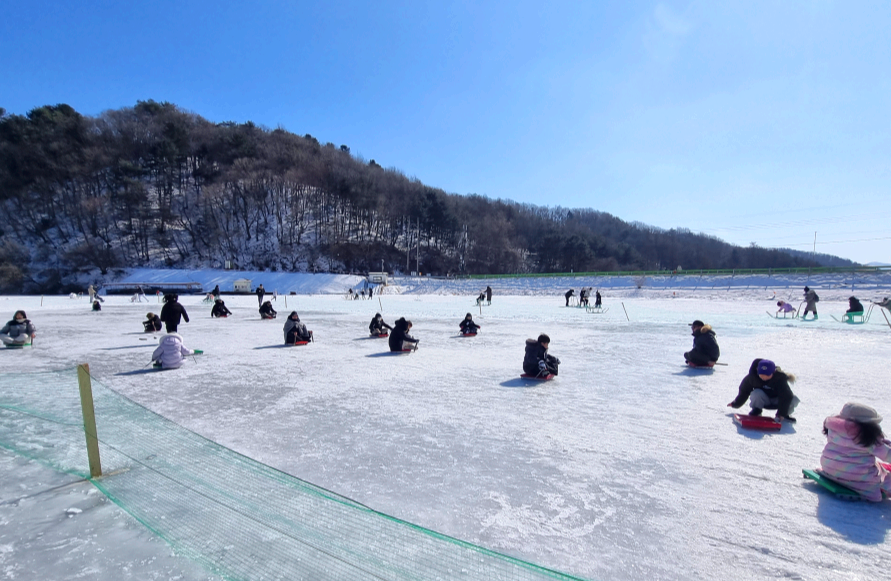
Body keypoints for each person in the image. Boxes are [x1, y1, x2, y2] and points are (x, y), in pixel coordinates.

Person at [820, 403, 891, 501]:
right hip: (859, 478)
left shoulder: (834, 431)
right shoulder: (867, 438)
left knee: (875, 465)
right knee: (886, 479)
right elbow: (888, 455)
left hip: (830, 469)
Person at [727, 358, 799, 423]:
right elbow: (744, 391)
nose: (764, 378)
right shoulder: (752, 378)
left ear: (773, 373)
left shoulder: (780, 379)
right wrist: (735, 403)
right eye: (761, 375)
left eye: (767, 375)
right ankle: (757, 410)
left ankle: (785, 415)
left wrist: (781, 413)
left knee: (794, 399)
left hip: (778, 401)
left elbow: (786, 396)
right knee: (756, 393)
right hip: (763, 401)